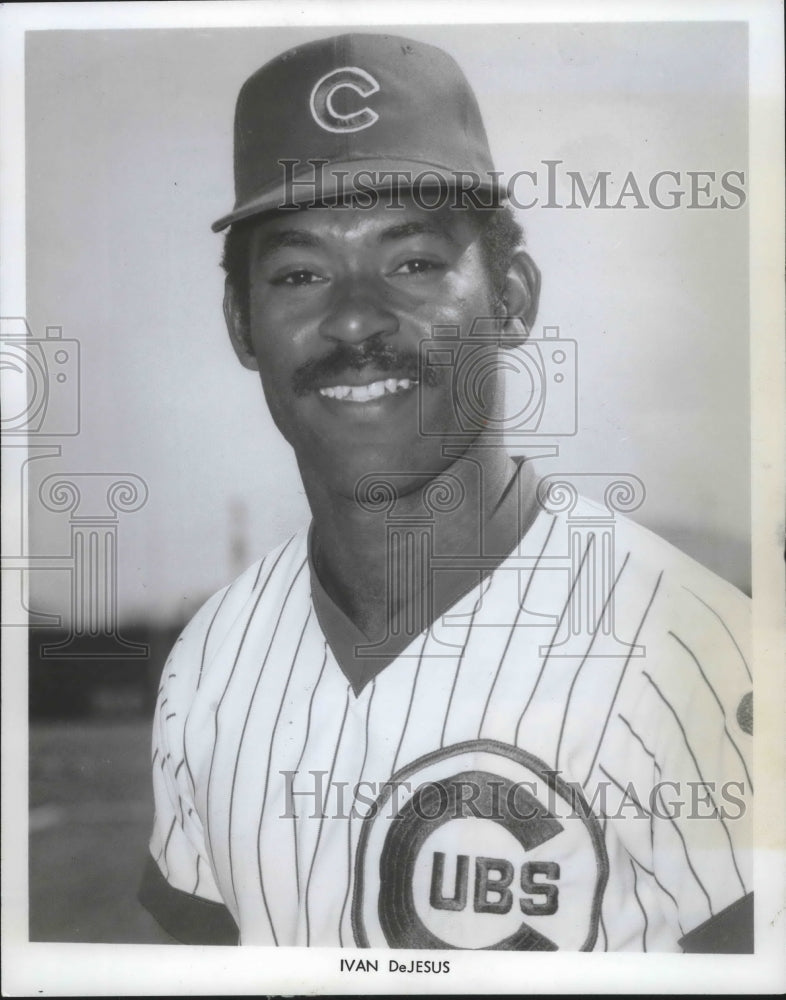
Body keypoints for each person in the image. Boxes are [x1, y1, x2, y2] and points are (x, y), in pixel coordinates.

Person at [138, 32, 753, 952]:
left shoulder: (699, 660)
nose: (352, 317)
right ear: (242, 324)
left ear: (511, 297)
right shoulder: (207, 665)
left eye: (413, 262)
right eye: (300, 273)